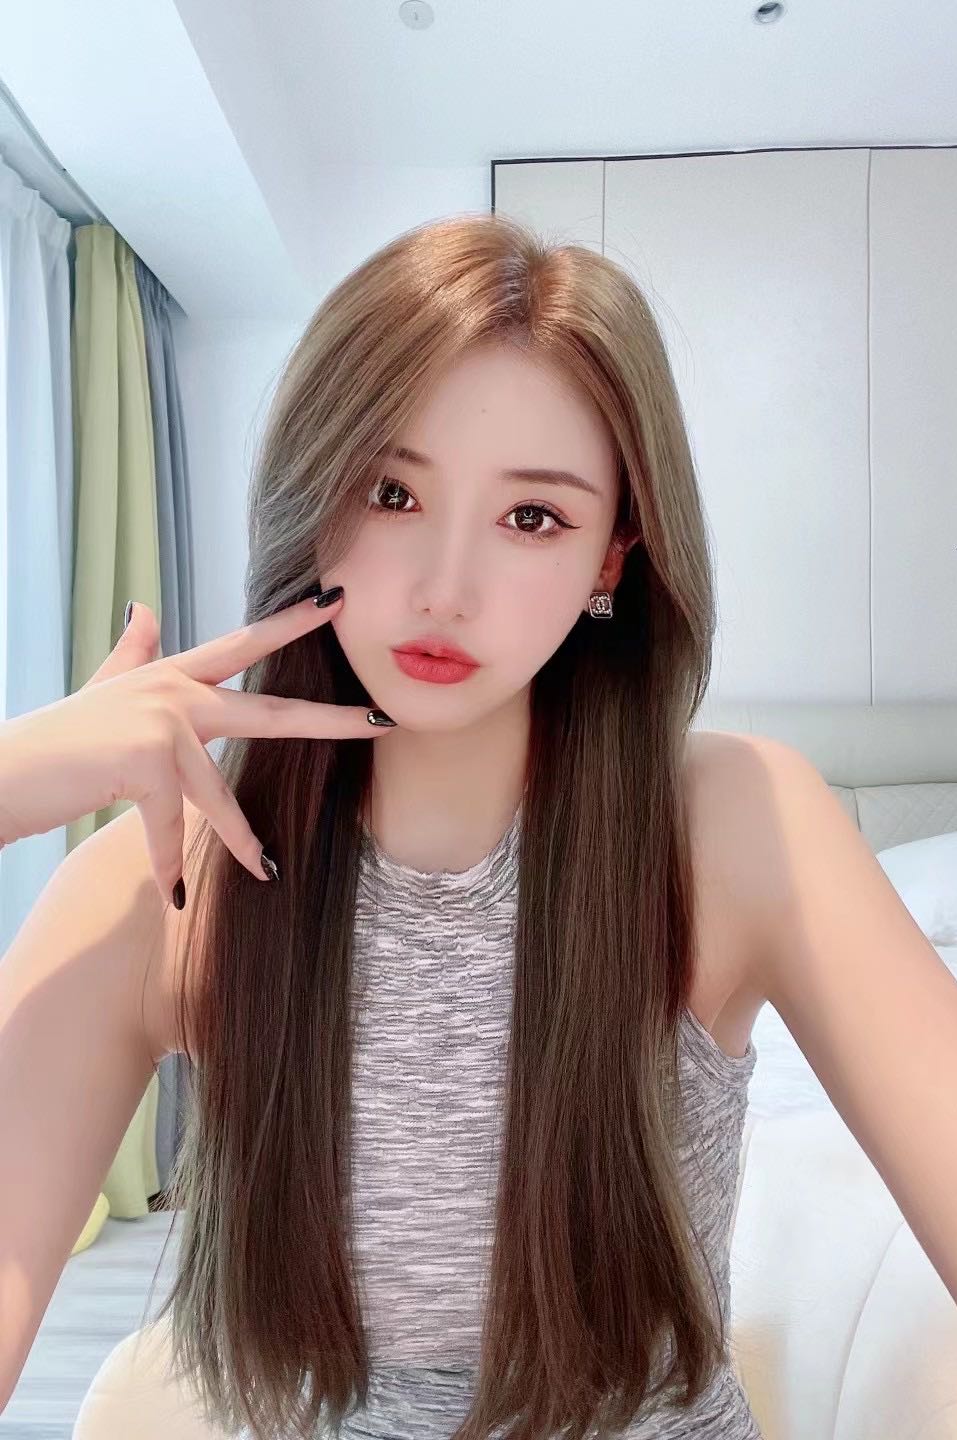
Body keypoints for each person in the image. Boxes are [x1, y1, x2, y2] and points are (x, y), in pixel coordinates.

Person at [0, 212, 764, 1439]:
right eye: (392, 491)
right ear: (316, 498)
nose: (444, 589)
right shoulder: (157, 892)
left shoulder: (723, 833)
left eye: (533, 517)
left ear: (612, 557)